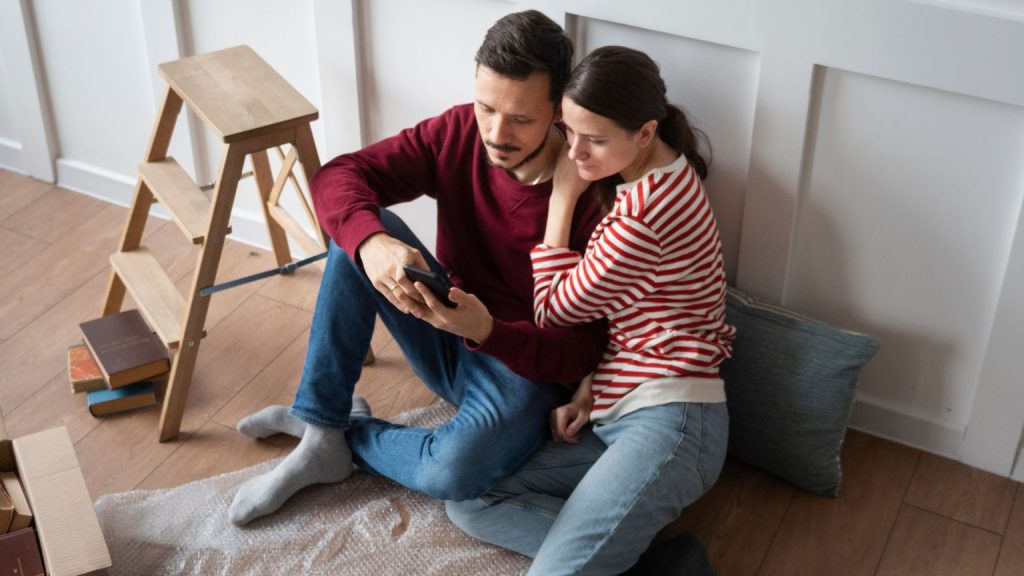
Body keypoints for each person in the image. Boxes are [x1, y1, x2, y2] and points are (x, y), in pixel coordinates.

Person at [227, 10, 608, 526]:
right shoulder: (457, 133)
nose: (497, 133)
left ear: (558, 111)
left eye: (521, 119)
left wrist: (489, 331)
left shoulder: (592, 193)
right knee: (360, 230)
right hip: (444, 331)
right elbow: (339, 175)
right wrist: (372, 243)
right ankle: (319, 425)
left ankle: (337, 434)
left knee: (452, 472)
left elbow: (583, 351)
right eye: (486, 107)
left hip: (525, 374)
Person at [445, 46, 734, 575]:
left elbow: (552, 311)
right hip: (621, 410)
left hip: (672, 423)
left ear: (645, 133)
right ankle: (660, 565)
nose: (574, 154)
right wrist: (593, 386)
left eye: (593, 140)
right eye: (569, 132)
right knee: (470, 499)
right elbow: (649, 319)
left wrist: (562, 198)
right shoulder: (665, 176)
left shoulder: (643, 216)